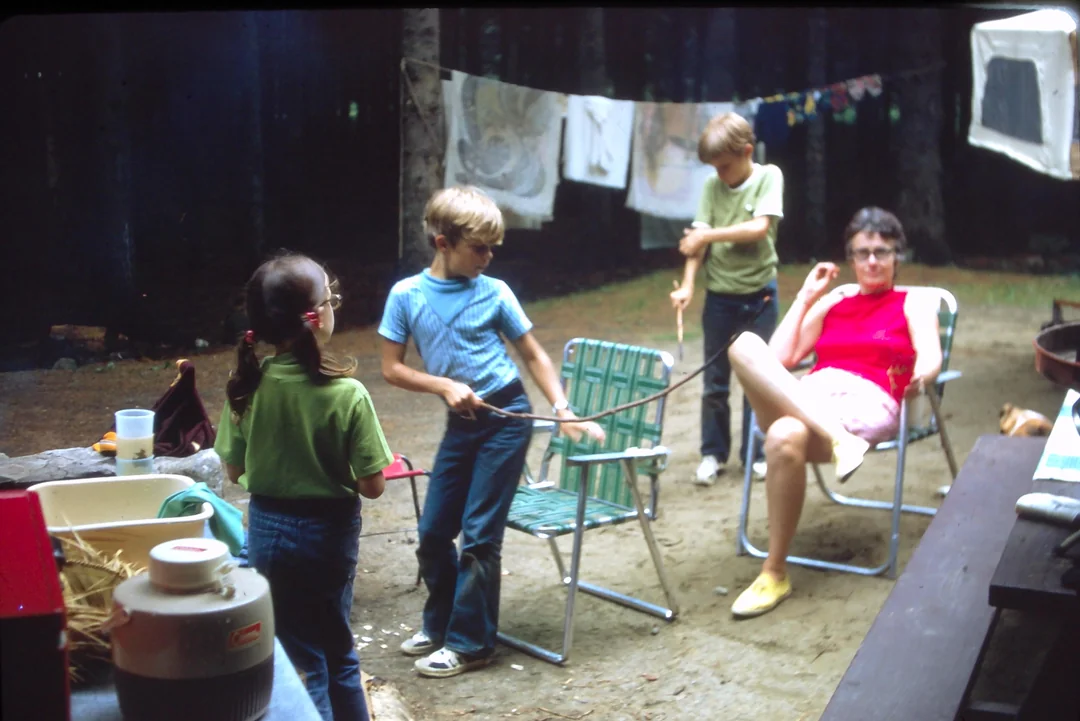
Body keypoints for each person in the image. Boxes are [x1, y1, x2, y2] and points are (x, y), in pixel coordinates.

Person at [379, 186, 606, 679]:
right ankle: (439, 625)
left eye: (492, 247)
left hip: (506, 420)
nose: (488, 256)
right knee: (433, 533)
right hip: (460, 424)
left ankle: (471, 643)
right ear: (443, 243)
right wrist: (444, 386)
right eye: (478, 247)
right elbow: (391, 369)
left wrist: (562, 408)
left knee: (480, 535)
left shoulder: (495, 291)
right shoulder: (407, 296)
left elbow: (533, 354)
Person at [726, 207, 943, 619]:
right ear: (851, 259)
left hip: (868, 399)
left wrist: (924, 375)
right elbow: (777, 360)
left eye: (882, 251)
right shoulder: (836, 303)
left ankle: (773, 572)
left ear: (898, 256)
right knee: (741, 345)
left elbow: (930, 355)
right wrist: (807, 297)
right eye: (862, 253)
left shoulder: (913, 303)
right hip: (811, 396)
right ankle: (843, 443)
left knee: (782, 436)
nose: (873, 261)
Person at [214, 252, 393, 721]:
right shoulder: (348, 394)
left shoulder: (246, 386)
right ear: (315, 318)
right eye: (331, 299)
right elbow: (372, 486)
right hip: (329, 535)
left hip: (268, 530)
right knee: (336, 648)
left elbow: (233, 472)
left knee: (298, 653)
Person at [669, 111, 784, 487]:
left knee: (758, 381)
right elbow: (696, 243)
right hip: (720, 298)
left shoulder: (769, 176)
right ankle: (712, 454)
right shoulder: (710, 187)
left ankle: (757, 453)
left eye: (724, 166)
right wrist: (688, 285)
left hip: (760, 297)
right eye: (714, 168)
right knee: (715, 382)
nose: (719, 174)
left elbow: (758, 228)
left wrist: (707, 236)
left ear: (747, 151)